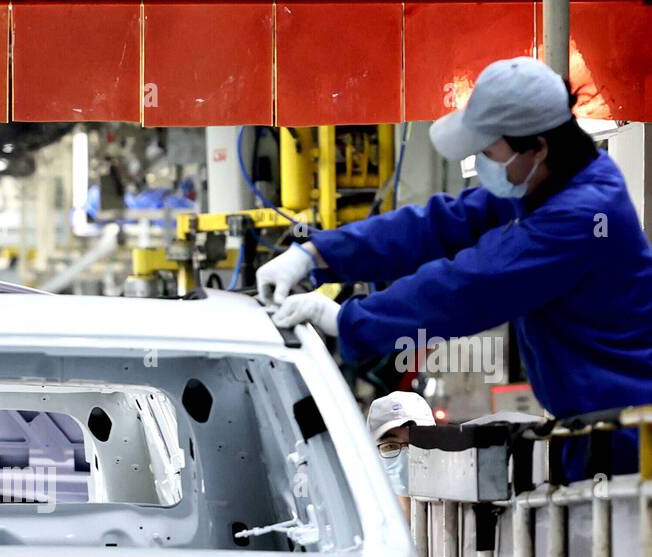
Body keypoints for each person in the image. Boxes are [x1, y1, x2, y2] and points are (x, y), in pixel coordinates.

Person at [257, 57, 652, 477]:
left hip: (630, 436)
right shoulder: (550, 182)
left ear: (538, 145)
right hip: (596, 428)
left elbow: (471, 287)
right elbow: (439, 224)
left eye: (489, 149)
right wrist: (317, 253)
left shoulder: (581, 216)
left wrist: (349, 319)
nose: (482, 160)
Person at [368, 390, 435, 520]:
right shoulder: (363, 522)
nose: (406, 457)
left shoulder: (453, 514)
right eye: (390, 446)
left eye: (417, 444)